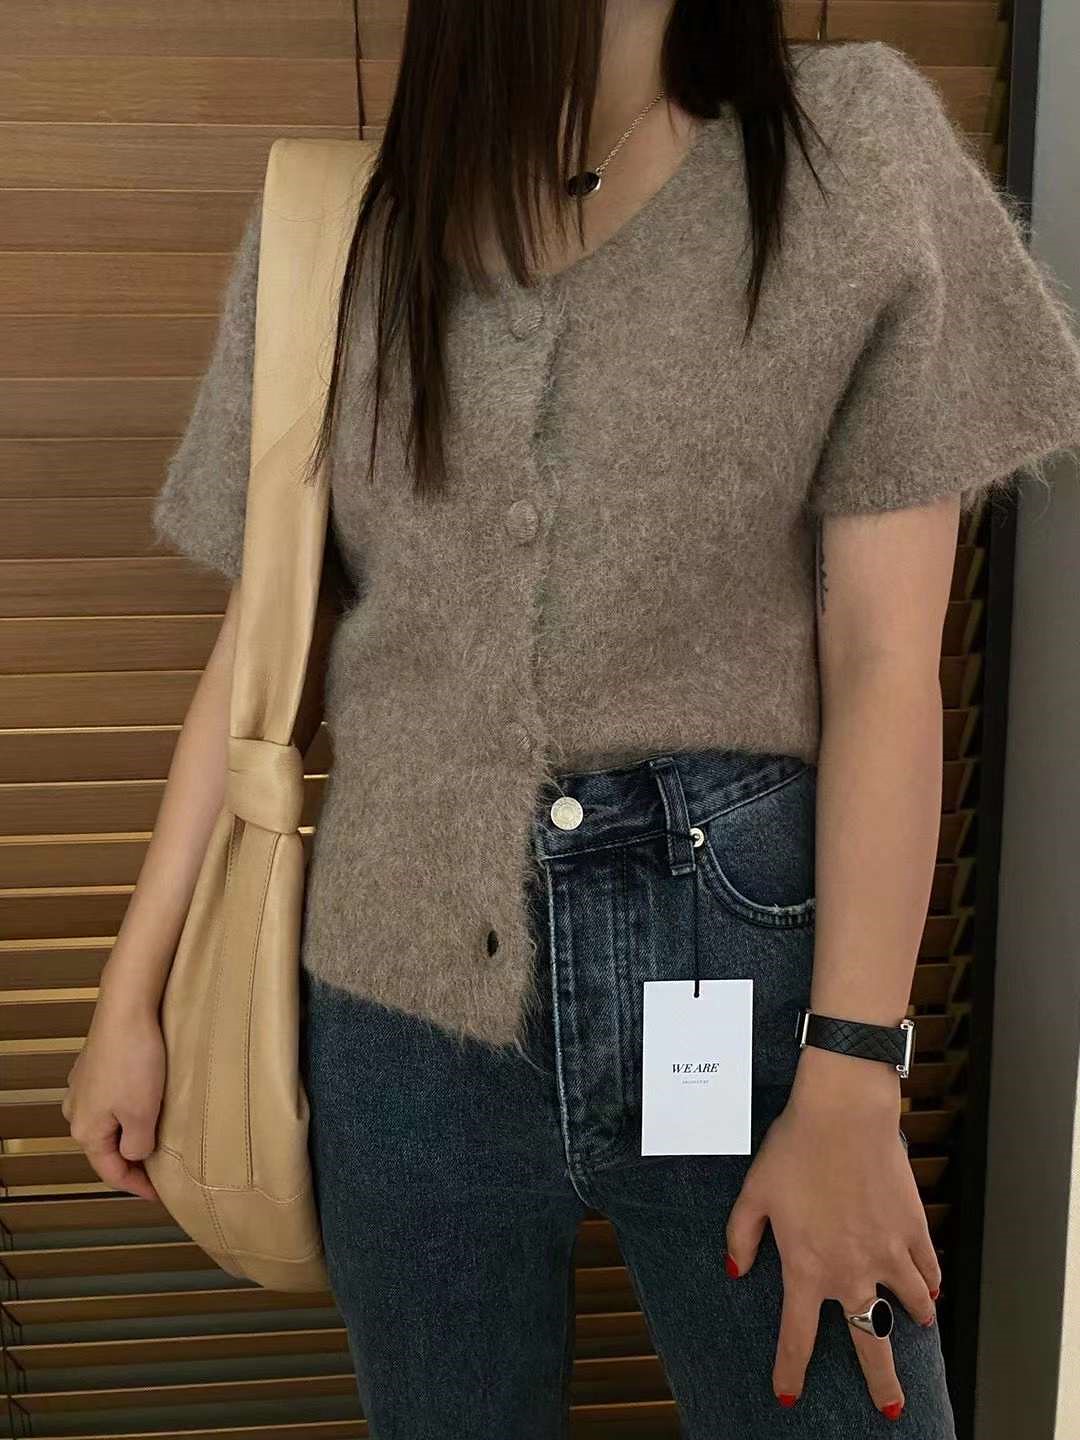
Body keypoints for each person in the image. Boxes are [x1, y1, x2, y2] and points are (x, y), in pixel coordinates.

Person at [63, 2, 1080, 1436]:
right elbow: (264, 647)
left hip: (741, 990)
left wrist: (855, 1073)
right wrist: (133, 993)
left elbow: (882, 661)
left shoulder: (845, 148)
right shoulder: (347, 233)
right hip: (401, 1001)